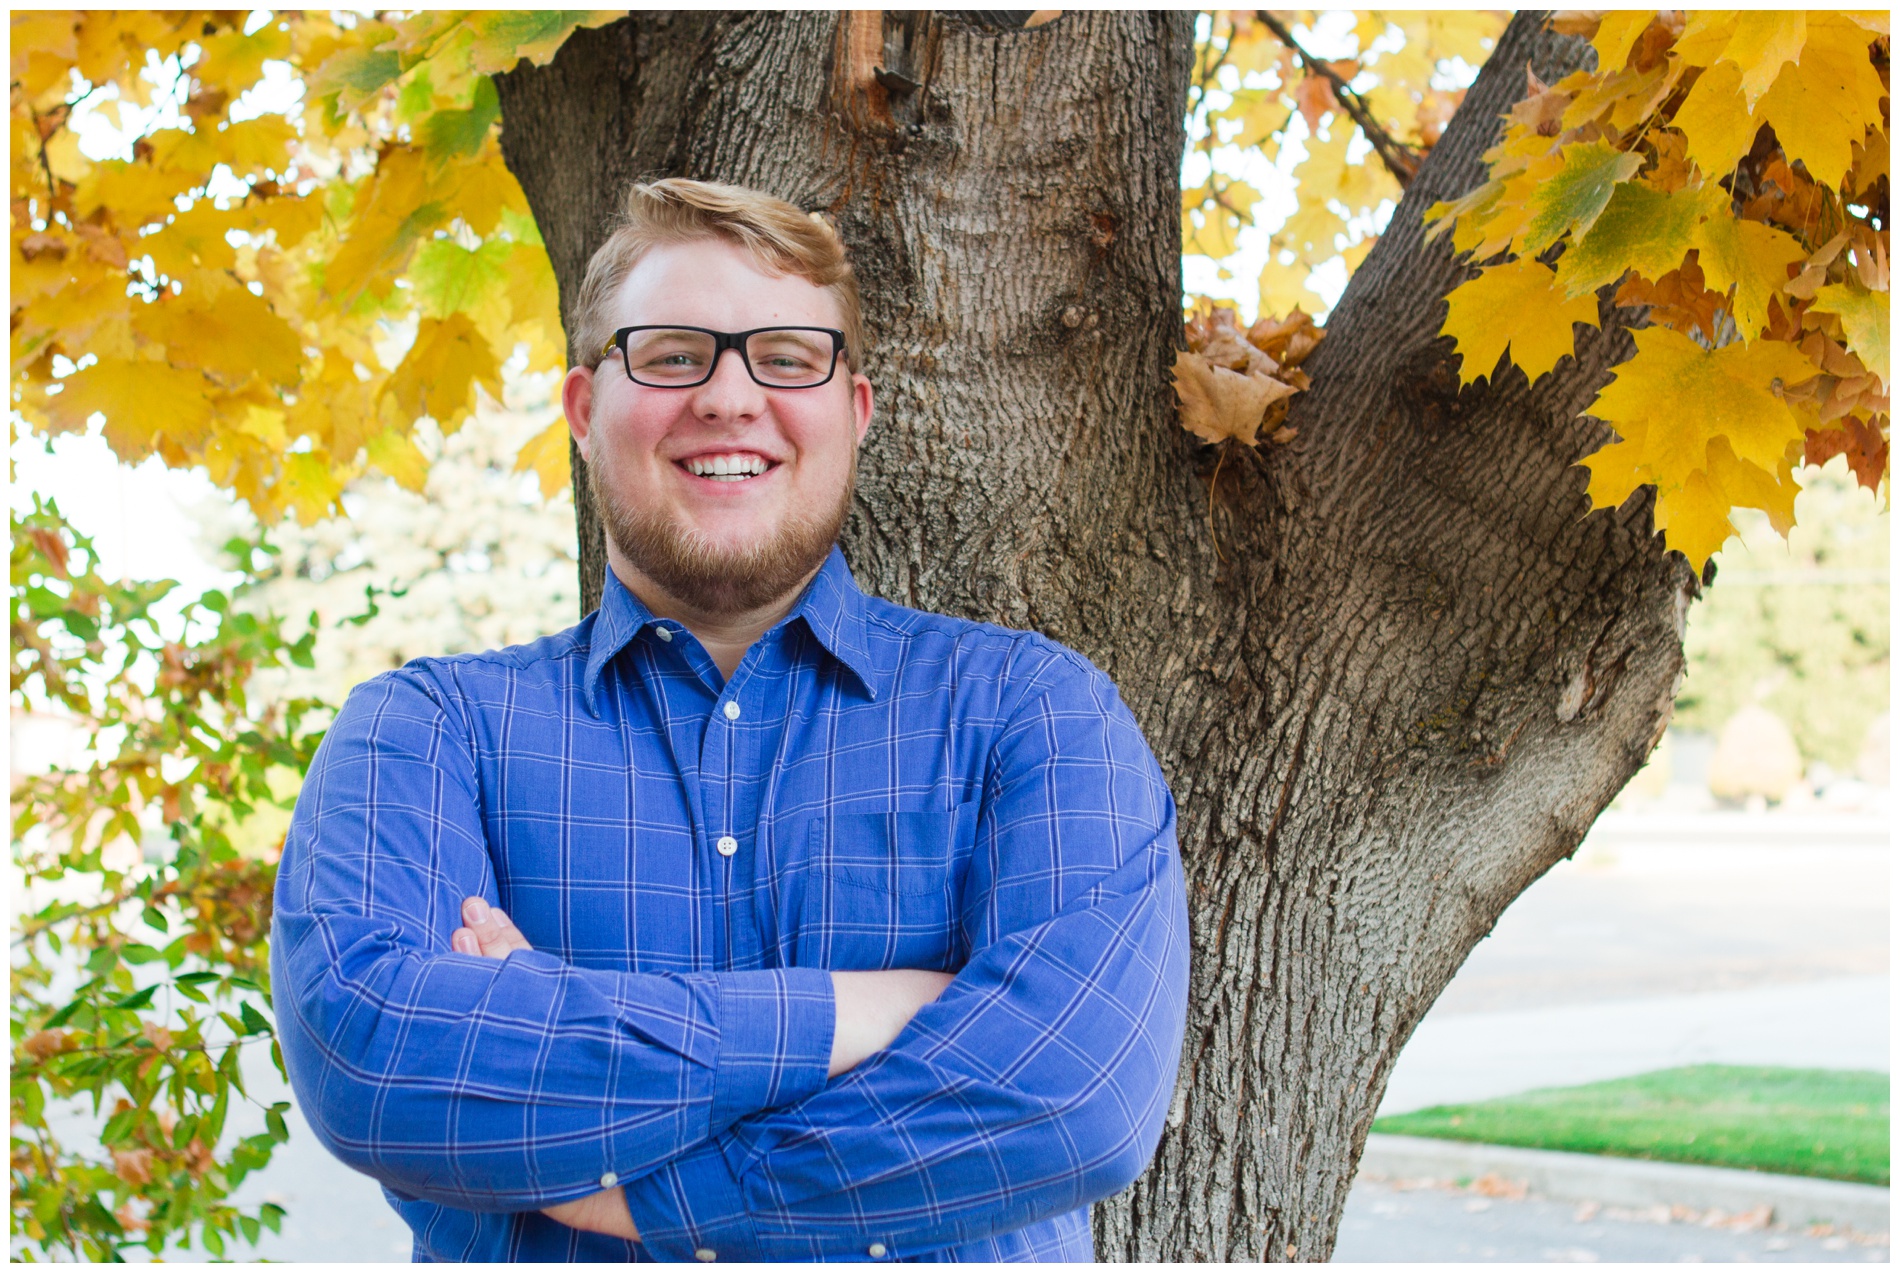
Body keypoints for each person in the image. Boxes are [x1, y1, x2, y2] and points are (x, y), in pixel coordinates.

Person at [271, 178, 1189, 1262]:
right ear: (583, 408)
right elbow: (378, 1070)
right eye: (669, 354)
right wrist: (867, 1013)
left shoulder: (1029, 712)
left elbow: (1073, 1096)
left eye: (787, 357)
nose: (727, 396)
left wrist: (643, 1172)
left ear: (852, 409)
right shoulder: (429, 732)